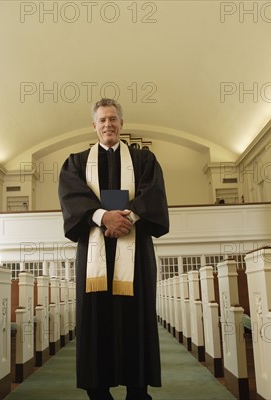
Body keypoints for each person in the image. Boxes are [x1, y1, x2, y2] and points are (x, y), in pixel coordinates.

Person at [58, 98, 169, 400]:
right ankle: (99, 391)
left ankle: (137, 390)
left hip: (135, 257)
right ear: (94, 125)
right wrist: (103, 217)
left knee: (137, 317)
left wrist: (127, 217)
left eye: (113, 119)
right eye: (102, 120)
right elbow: (72, 197)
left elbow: (153, 194)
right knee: (96, 320)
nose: (108, 124)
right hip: (95, 255)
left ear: (122, 123)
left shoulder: (144, 160)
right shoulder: (76, 163)